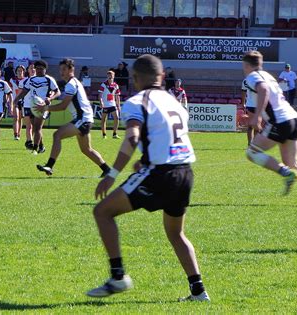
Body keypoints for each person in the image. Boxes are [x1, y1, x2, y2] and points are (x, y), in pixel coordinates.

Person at [85, 55, 210, 302]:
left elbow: (132, 137)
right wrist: (147, 158)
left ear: (135, 78)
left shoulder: (137, 101)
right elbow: (168, 138)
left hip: (160, 173)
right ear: (161, 76)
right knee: (176, 234)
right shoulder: (174, 102)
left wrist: (111, 174)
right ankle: (198, 290)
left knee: (102, 212)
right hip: (185, 172)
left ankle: (118, 276)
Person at [243, 50, 297, 206]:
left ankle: (285, 173)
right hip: (293, 118)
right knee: (292, 163)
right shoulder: (268, 75)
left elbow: (263, 90)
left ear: (246, 65)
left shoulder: (253, 77)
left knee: (252, 152)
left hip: (280, 121)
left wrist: (258, 116)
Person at [35, 58, 111, 177]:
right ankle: (107, 170)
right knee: (86, 149)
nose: (61, 72)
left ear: (71, 69)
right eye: (60, 69)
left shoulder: (71, 84)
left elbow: (63, 106)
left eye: (64, 69)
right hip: (85, 118)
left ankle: (49, 165)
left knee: (57, 135)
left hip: (83, 119)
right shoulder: (73, 82)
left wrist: (45, 108)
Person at [14, 60, 60, 155]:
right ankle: (41, 146)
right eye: (37, 68)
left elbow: (57, 91)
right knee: (35, 128)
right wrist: (16, 100)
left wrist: (50, 99)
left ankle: (35, 149)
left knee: (38, 127)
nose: (39, 70)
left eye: (41, 69)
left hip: (43, 106)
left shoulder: (49, 79)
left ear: (45, 69)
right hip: (32, 105)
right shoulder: (31, 79)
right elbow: (24, 91)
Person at [98, 70, 121, 139]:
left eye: (111, 76)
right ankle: (104, 134)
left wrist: (118, 105)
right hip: (105, 104)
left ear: (113, 76)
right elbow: (100, 95)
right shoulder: (103, 84)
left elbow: (117, 96)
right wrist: (101, 102)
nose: (110, 77)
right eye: (109, 76)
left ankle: (114, 134)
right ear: (107, 76)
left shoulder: (116, 85)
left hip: (112, 104)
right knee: (104, 119)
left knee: (116, 118)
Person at [19, 63, 36, 149]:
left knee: (35, 126)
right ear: (28, 70)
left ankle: (30, 140)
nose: (33, 70)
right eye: (31, 68)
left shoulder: (41, 80)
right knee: (29, 125)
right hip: (26, 105)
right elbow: (20, 93)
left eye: (34, 68)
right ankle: (30, 142)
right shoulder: (23, 81)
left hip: (37, 106)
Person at [9, 65, 26, 140]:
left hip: (23, 101)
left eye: (21, 71)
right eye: (18, 71)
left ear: (23, 72)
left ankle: (19, 134)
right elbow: (8, 91)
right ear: (16, 72)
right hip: (15, 101)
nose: (20, 72)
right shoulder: (12, 80)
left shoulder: (26, 80)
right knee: (16, 117)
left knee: (20, 118)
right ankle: (15, 134)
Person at [241, 78, 257, 145]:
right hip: (250, 104)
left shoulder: (262, 79)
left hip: (259, 105)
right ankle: (250, 143)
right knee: (251, 125)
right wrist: (243, 103)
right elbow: (243, 91)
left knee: (257, 125)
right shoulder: (246, 80)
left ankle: (255, 143)